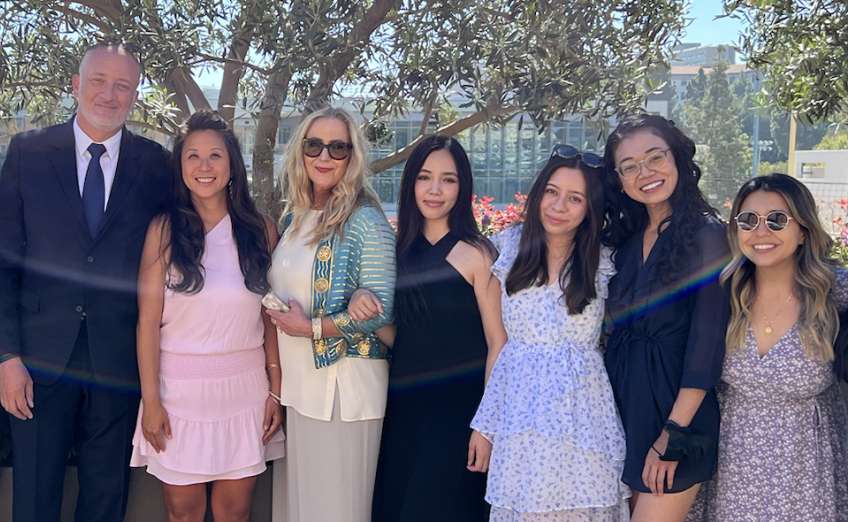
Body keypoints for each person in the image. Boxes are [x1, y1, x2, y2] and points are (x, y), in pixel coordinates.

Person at [0, 41, 174, 522]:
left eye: (122, 86)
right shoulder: (28, 153)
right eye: (98, 82)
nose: (109, 95)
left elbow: (185, 242)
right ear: (76, 85)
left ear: (135, 95)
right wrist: (7, 356)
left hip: (118, 360)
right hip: (38, 359)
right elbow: (1, 263)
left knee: (106, 496)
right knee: (34, 495)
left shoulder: (155, 164)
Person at [130, 110, 285, 522]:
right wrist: (151, 400)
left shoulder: (261, 230)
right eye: (192, 156)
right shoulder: (163, 231)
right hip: (177, 394)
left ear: (232, 164)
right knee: (183, 513)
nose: (204, 167)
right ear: (179, 167)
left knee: (234, 513)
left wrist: (275, 391)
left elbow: (271, 317)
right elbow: (147, 321)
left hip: (245, 392)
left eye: (215, 156)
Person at [468, 145, 628, 520]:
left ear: (590, 207)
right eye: (552, 192)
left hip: (585, 419)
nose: (559, 206)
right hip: (521, 417)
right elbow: (500, 348)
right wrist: (485, 426)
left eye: (575, 198)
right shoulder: (507, 248)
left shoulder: (604, 260)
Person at [265, 107, 397, 522]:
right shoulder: (295, 217)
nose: (325, 156)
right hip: (302, 388)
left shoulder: (364, 219)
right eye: (314, 145)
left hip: (344, 391)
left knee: (334, 511)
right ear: (300, 152)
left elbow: (382, 310)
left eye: (337, 147)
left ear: (352, 156)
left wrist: (312, 328)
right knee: (301, 509)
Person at [693, 174, 848, 521]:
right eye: (748, 220)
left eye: (777, 220)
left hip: (807, 474)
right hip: (733, 469)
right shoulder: (723, 294)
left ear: (803, 230)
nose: (760, 231)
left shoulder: (830, 290)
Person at [601, 115, 730, 521]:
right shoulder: (626, 242)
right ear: (618, 179)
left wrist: (672, 436)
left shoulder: (708, 236)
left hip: (677, 419)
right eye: (630, 167)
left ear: (678, 158)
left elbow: (706, 345)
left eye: (655, 157)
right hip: (622, 409)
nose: (645, 173)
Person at [367, 135, 495, 521]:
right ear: (411, 184)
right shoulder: (397, 251)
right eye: (425, 177)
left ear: (463, 186)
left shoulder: (476, 254)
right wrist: (367, 316)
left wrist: (487, 426)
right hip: (403, 407)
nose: (435, 190)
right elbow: (401, 335)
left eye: (448, 179)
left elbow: (498, 344)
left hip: (459, 414)